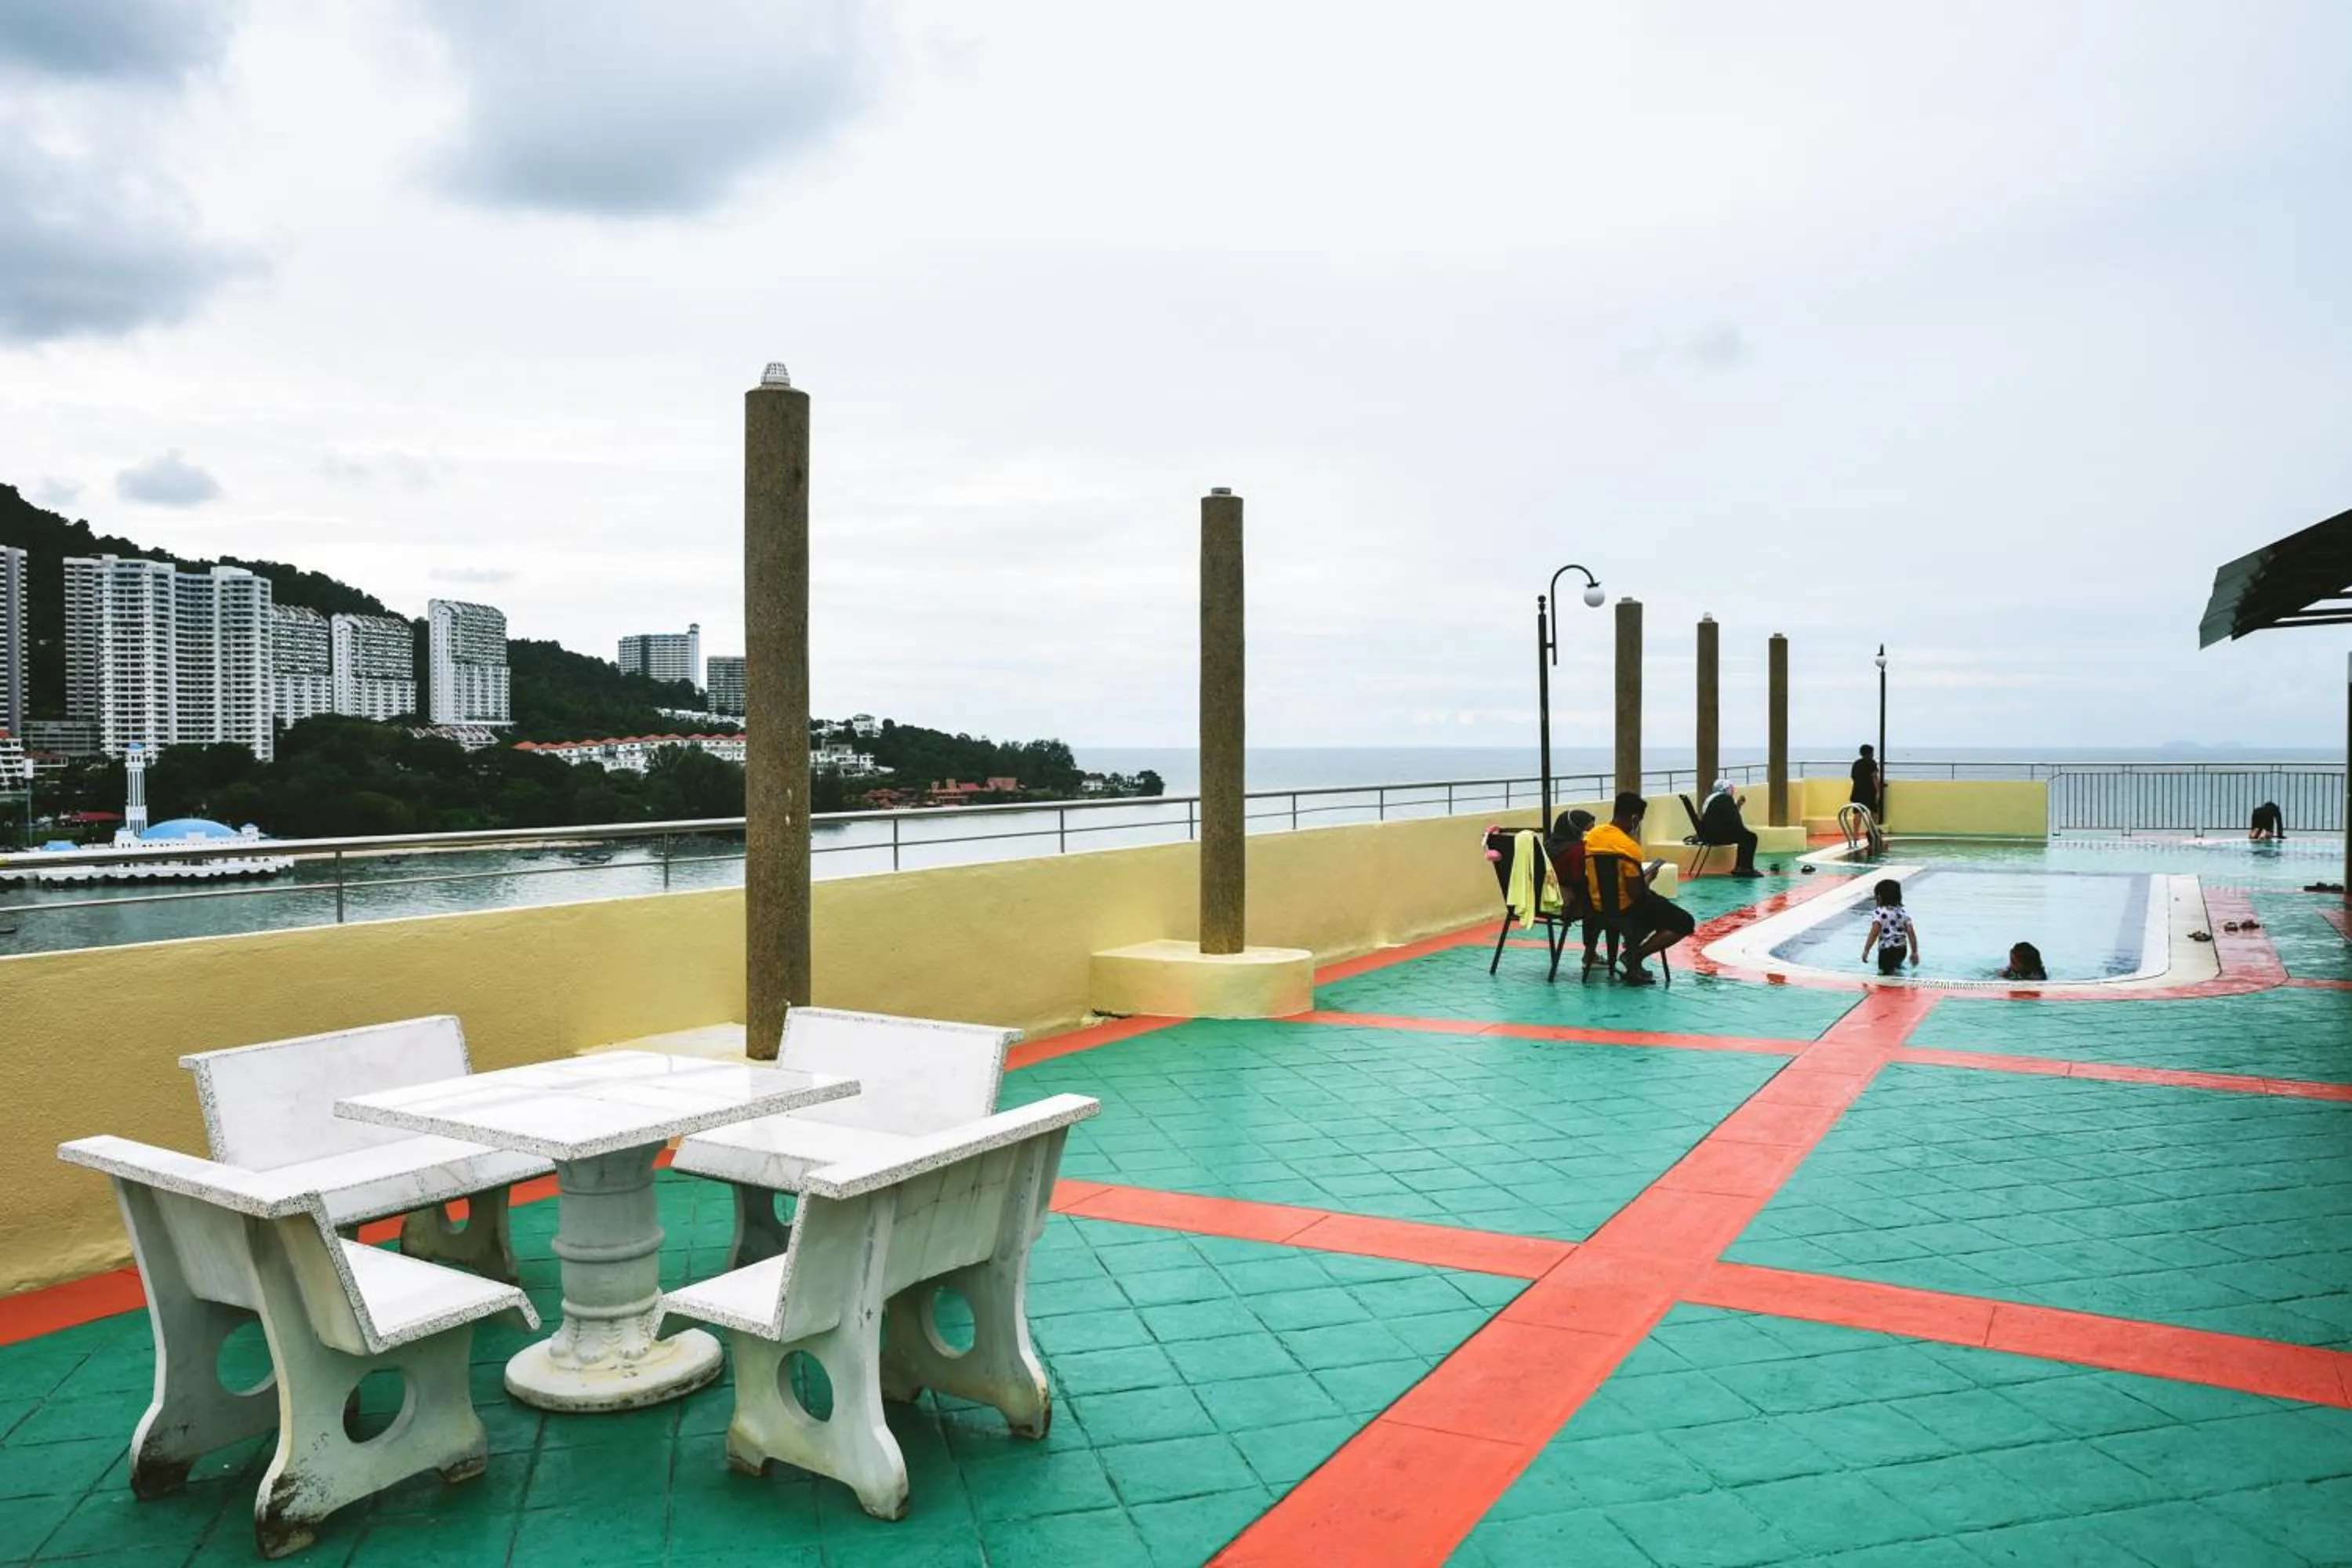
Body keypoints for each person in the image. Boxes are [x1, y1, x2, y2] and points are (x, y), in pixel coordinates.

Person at [1584, 792, 1697, 985]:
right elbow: (1636, 894)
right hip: (1626, 907)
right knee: (1684, 921)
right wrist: (1649, 878)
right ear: (1635, 818)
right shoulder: (1629, 847)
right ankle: (1634, 956)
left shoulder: (1592, 837)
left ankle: (1633, 949)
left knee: (1660, 909)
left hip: (1597, 905)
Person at [1547, 808, 1600, 960]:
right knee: (1598, 907)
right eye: (1587, 830)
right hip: (1566, 905)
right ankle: (1590, 953)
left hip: (1546, 899)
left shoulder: (1549, 845)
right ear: (1576, 830)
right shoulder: (1577, 850)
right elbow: (1578, 880)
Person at [1697, 779, 1764, 877]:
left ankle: (1741, 868)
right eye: (1731, 789)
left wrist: (1737, 806)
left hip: (1708, 835)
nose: (1732, 791)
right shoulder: (1725, 799)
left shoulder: (1711, 799)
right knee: (1751, 837)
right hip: (1717, 837)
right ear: (1726, 789)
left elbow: (1724, 817)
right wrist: (1744, 830)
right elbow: (1734, 821)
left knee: (1744, 836)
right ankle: (1745, 868)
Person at [1860, 878, 1920, 976]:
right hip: (1901, 949)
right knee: (1896, 967)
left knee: (1884, 973)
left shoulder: (1879, 913)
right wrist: (1914, 952)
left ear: (1879, 897)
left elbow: (1874, 933)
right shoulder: (1903, 913)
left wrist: (1867, 950)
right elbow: (1911, 933)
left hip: (1886, 950)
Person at [1849, 744, 1882, 818]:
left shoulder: (1856, 763)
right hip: (1870, 791)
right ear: (1871, 753)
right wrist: (1878, 791)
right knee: (1874, 811)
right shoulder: (1872, 763)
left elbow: (1853, 777)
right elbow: (1874, 777)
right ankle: (1873, 829)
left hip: (1857, 791)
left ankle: (1855, 830)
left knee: (1857, 812)